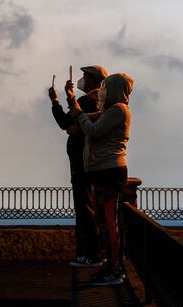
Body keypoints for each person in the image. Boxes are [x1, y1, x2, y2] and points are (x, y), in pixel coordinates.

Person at [67, 72, 133, 285]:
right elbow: (87, 118)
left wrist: (78, 111)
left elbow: (92, 130)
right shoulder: (111, 111)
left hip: (110, 173)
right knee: (105, 223)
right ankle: (110, 265)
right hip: (103, 172)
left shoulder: (119, 110)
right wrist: (76, 107)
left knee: (110, 223)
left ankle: (115, 269)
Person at [48, 65, 108, 266]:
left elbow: (66, 122)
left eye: (85, 76)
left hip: (81, 163)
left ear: (93, 79)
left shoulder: (85, 100)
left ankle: (89, 254)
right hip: (95, 162)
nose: (82, 79)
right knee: (94, 208)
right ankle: (98, 252)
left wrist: (55, 101)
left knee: (84, 209)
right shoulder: (102, 101)